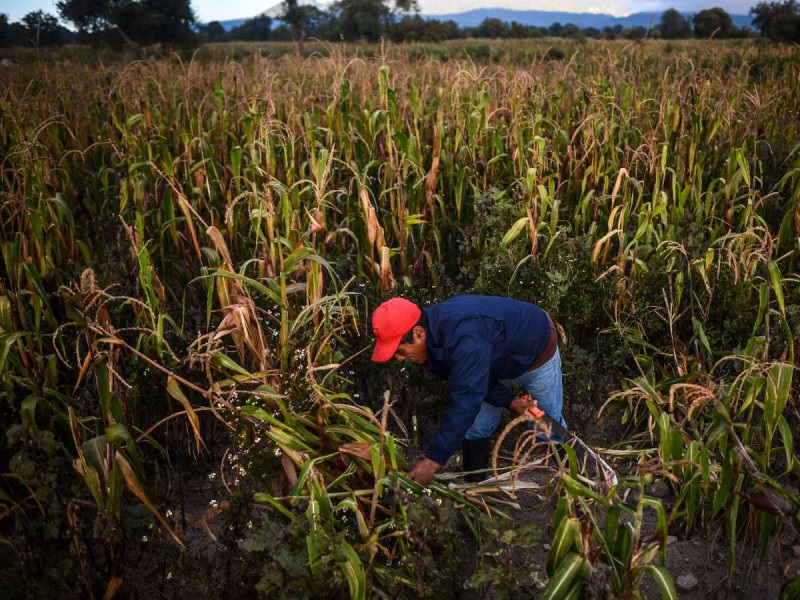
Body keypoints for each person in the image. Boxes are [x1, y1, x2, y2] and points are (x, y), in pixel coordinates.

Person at [370, 294, 567, 485]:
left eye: (401, 351)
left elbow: (466, 399)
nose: (399, 358)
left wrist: (432, 461)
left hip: (536, 350)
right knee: (478, 425)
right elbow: (472, 379)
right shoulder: (435, 342)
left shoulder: (464, 338)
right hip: (492, 358)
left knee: (546, 427)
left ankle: (571, 484)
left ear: (418, 333)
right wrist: (511, 401)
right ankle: (476, 489)